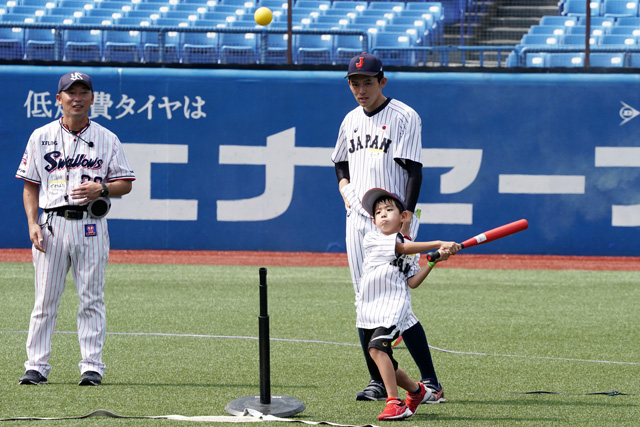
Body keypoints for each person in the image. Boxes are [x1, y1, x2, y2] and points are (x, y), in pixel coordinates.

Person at [331, 53, 454, 403]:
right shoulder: (350, 120)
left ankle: (430, 382)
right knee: (364, 300)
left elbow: (414, 169)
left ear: (382, 81)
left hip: (391, 223)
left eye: (367, 82)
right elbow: (340, 163)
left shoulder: (403, 116)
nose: (361, 89)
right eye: (355, 83)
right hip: (357, 221)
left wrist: (407, 217)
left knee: (399, 301)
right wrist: (344, 188)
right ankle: (376, 381)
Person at [15, 71, 136, 386]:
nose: (77, 97)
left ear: (93, 99)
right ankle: (36, 366)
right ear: (59, 99)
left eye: (83, 92)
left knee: (91, 297)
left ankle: (92, 366)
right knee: (45, 299)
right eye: (71, 92)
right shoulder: (41, 136)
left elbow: (125, 184)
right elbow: (30, 186)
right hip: (52, 224)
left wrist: (103, 189)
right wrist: (32, 223)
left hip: (91, 226)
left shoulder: (108, 138)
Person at [358, 188, 460, 421]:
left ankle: (395, 403)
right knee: (386, 362)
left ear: (403, 216)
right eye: (378, 212)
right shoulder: (372, 238)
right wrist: (438, 243)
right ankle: (417, 392)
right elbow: (402, 248)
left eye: (389, 209)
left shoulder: (409, 249)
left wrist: (432, 263)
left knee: (377, 349)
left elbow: (412, 282)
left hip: (393, 305)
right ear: (374, 221)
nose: (383, 214)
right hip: (368, 308)